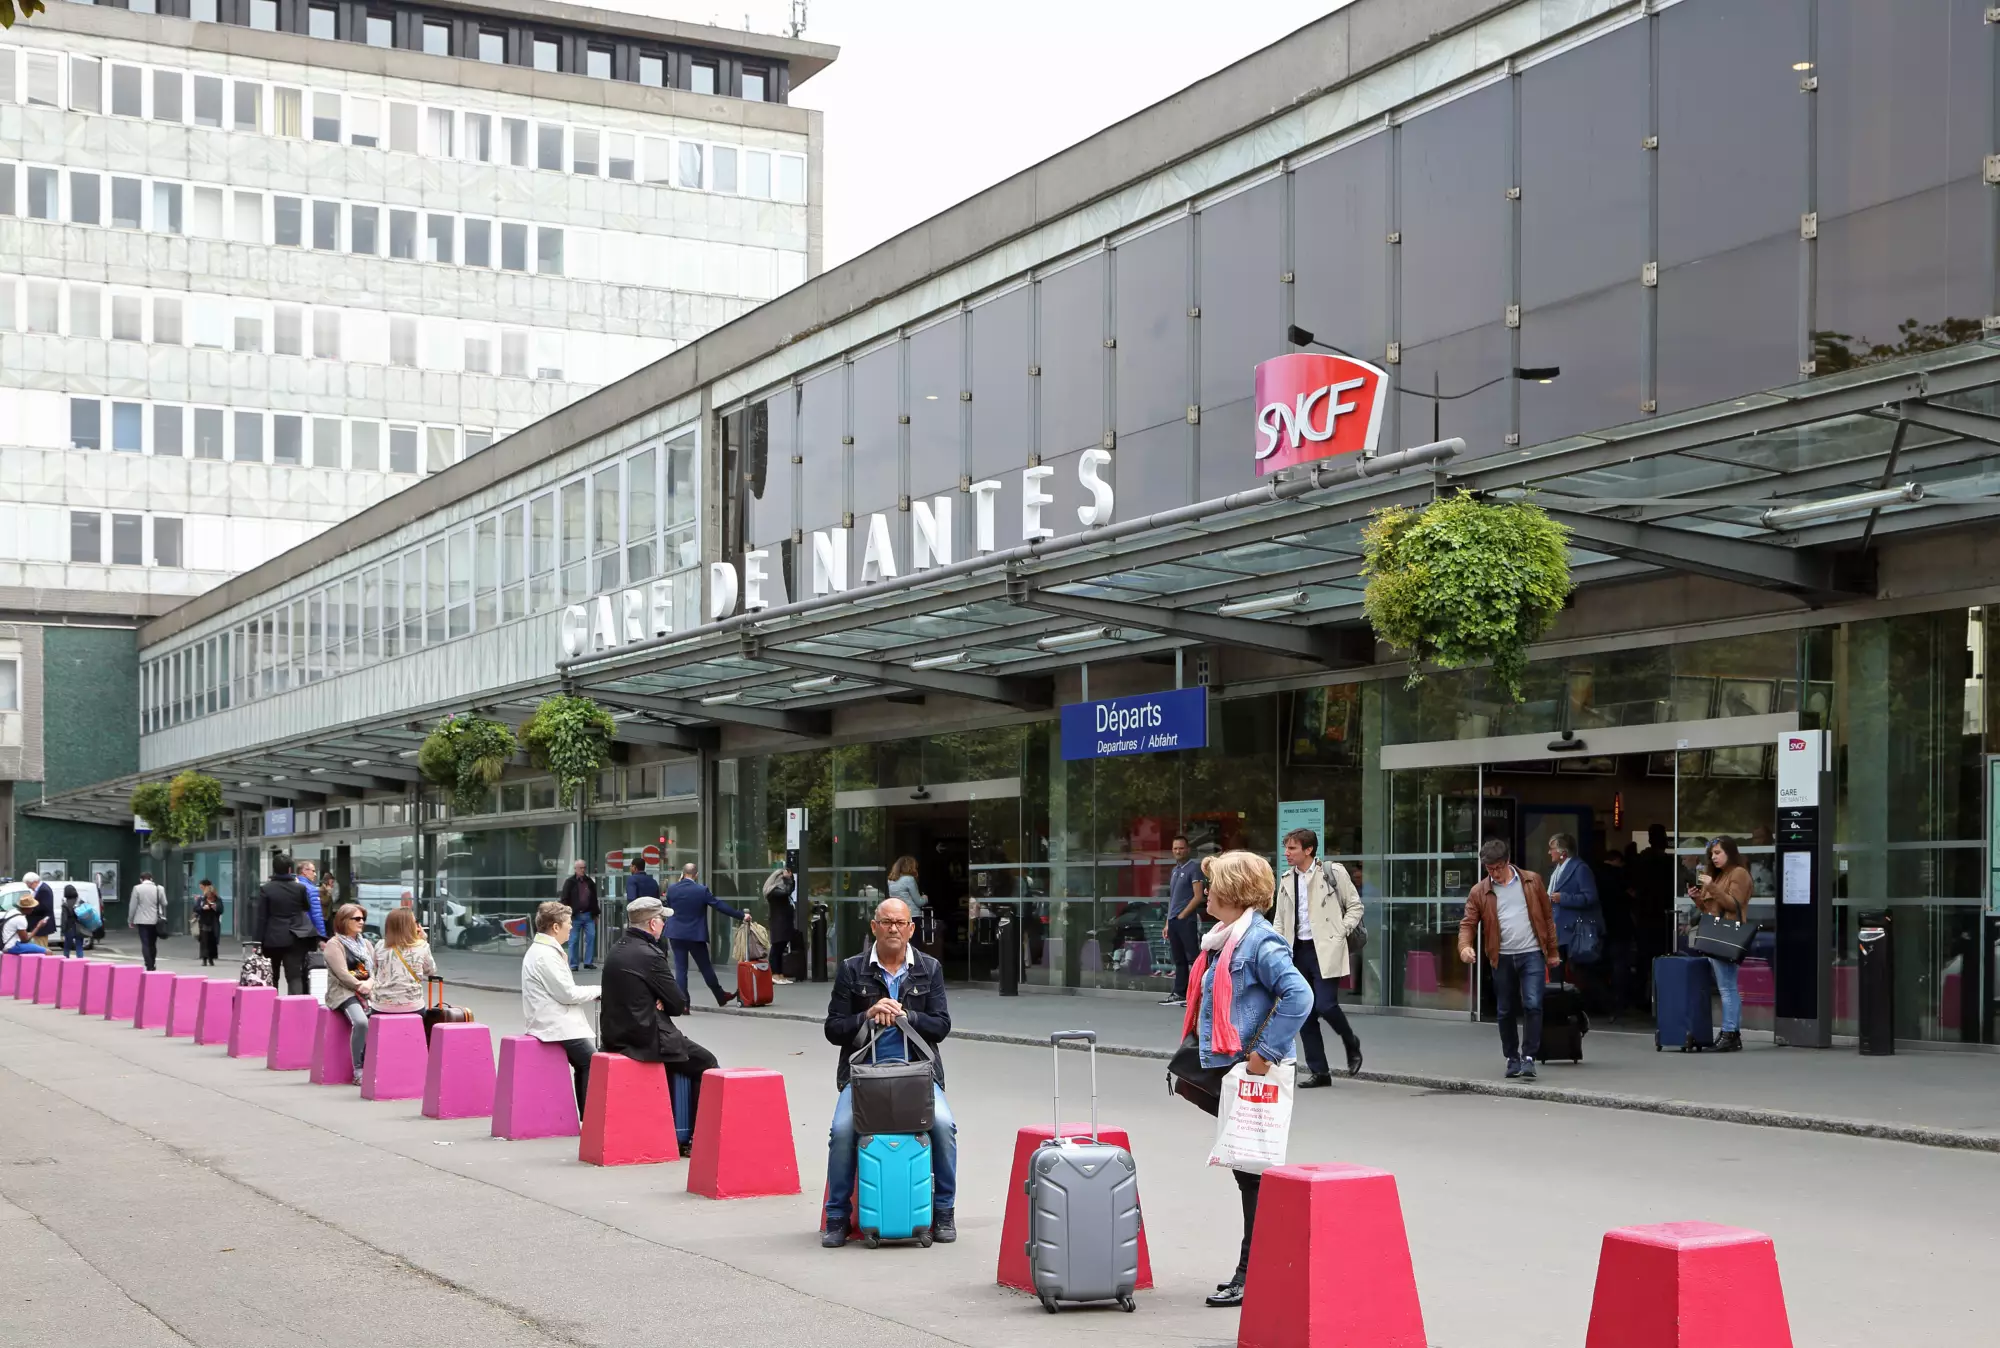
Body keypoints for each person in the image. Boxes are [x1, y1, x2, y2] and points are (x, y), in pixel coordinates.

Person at [1186, 850, 1312, 1309]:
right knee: (1248, 1173)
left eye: (1214, 885)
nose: (1206, 894)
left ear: (1234, 892)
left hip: (1254, 1071)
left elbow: (1300, 996)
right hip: (1234, 1070)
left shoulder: (1259, 941)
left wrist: (1263, 1054)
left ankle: (1252, 1272)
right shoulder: (1222, 939)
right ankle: (1256, 1268)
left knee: (1253, 1173)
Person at [820, 896, 957, 1248]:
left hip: (918, 1076)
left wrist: (907, 1017)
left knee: (943, 1126)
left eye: (900, 923)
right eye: (886, 922)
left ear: (911, 929)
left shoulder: (929, 968)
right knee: (842, 1130)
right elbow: (833, 1029)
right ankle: (836, 1216)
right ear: (874, 927)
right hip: (865, 1076)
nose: (893, 929)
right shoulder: (852, 969)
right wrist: (867, 1014)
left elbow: (941, 1026)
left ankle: (944, 1211)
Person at [600, 895, 720, 1157]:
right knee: (707, 1063)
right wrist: (661, 1001)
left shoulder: (616, 948)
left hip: (615, 1034)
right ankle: (697, 1139)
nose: (665, 925)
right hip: (646, 1037)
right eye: (663, 920)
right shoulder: (651, 955)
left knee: (687, 1060)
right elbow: (678, 1004)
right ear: (653, 924)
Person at [1458, 839, 1560, 1080]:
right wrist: (1464, 946)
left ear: (1507, 862)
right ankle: (1512, 1058)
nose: (1493, 873)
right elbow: (1468, 923)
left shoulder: (1532, 881)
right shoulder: (1480, 891)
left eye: (1496, 868)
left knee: (1533, 1003)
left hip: (1531, 953)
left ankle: (1529, 1057)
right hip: (1501, 957)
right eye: (1488, 869)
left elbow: (1547, 918)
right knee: (1505, 1010)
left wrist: (1553, 952)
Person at [1271, 827, 1364, 1084]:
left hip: (1324, 949)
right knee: (1305, 1012)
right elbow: (1280, 919)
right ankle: (1319, 1071)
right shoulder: (1287, 878)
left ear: (1308, 849)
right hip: (1296, 951)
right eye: (1286, 848)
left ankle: (1350, 1040)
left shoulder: (1332, 872)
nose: (1287, 853)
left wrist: (1340, 931)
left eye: (1292, 848)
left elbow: (1355, 905)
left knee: (1325, 1004)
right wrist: (1278, 948)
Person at [523, 900, 602, 1117]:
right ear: (555, 927)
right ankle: (590, 1118)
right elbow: (568, 994)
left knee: (585, 1061)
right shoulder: (546, 955)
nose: (571, 927)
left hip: (552, 1019)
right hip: (554, 1023)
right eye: (568, 923)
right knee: (590, 1061)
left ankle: (588, 1116)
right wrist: (598, 990)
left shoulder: (544, 950)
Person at [1690, 836, 1752, 1053]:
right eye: (1712, 854)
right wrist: (1697, 899)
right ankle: (1730, 1033)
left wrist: (1712, 887)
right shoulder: (1720, 875)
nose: (1714, 857)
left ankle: (1729, 1033)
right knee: (1727, 986)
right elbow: (1711, 911)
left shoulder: (1739, 873)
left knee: (1727, 987)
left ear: (1730, 852)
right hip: (1717, 935)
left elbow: (1732, 905)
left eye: (1718, 853)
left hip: (1727, 936)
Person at [663, 861, 747, 1006]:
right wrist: (741, 916)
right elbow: (719, 905)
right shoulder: (701, 890)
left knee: (681, 969)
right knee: (705, 967)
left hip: (676, 933)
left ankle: (684, 1004)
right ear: (696, 875)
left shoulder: (672, 889)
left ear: (682, 873)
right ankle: (720, 996)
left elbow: (669, 906)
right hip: (695, 935)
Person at [322, 903, 375, 1076]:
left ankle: (376, 1063)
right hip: (344, 992)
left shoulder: (366, 943)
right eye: (357, 919)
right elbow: (342, 974)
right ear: (344, 921)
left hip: (368, 990)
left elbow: (375, 970)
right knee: (361, 1022)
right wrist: (361, 985)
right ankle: (359, 1068)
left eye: (363, 919)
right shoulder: (334, 944)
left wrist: (370, 983)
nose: (361, 922)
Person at [255, 854, 318, 996]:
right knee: (294, 975)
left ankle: (272, 1006)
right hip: (295, 937)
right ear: (290, 870)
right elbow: (306, 907)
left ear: (274, 869)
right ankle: (294, 1008)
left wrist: (257, 942)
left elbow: (261, 917)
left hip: (272, 938)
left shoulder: (266, 889)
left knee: (272, 974)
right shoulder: (299, 888)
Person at [1546, 832, 1601, 985]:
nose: (1549, 852)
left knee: (1579, 973)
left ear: (1563, 853)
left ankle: (1587, 1005)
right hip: (1559, 930)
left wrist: (1563, 898)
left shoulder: (1580, 868)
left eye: (1552, 848)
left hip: (1574, 930)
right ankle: (1563, 1003)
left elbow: (1590, 897)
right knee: (1557, 971)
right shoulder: (1558, 870)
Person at [1160, 834, 1205, 1008]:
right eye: (1175, 848)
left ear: (1188, 849)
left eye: (1181, 848)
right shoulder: (1175, 870)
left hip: (1186, 921)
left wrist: (1183, 915)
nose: (1178, 851)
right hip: (1173, 921)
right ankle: (1179, 993)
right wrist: (1168, 922)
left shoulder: (1194, 868)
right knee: (1178, 960)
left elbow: (1198, 896)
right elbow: (1173, 899)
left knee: (1193, 958)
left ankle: (1197, 995)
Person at [370, 908, 437, 1019]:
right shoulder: (422, 946)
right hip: (413, 1007)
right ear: (410, 926)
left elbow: (375, 968)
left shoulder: (380, 945)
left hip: (381, 1007)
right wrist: (423, 940)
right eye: (415, 922)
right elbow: (431, 971)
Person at [560, 859, 600, 971]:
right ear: (575, 869)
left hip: (588, 915)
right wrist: (566, 914)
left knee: (591, 937)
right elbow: (564, 899)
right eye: (580, 868)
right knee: (574, 940)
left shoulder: (590, 882)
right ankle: (573, 964)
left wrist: (596, 914)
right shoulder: (570, 882)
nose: (583, 870)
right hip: (575, 916)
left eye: (584, 868)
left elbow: (594, 899)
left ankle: (588, 962)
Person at [762, 861, 798, 984]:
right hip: (779, 922)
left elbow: (790, 889)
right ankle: (774, 974)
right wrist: (788, 880)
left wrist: (791, 879)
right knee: (776, 948)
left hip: (784, 922)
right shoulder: (774, 892)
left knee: (781, 947)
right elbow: (787, 891)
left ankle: (780, 974)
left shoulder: (781, 890)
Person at [129, 871, 167, 971]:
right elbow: (165, 903)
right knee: (153, 943)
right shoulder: (159, 888)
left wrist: (130, 920)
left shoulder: (137, 888)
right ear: (151, 879)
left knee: (145, 943)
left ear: (141, 879)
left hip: (142, 920)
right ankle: (153, 963)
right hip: (155, 920)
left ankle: (149, 965)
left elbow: (133, 906)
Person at [296, 860, 328, 942]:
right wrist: (322, 936)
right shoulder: (311, 889)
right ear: (304, 871)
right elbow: (316, 914)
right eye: (313, 871)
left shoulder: (292, 886)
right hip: (308, 931)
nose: (315, 874)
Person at [194, 880, 224, 966]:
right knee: (204, 941)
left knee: (212, 941)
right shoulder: (201, 899)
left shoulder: (218, 900)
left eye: (211, 896)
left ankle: (211, 958)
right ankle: (204, 959)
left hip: (213, 923)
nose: (209, 897)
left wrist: (215, 907)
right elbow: (196, 909)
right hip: (204, 922)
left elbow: (221, 910)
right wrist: (203, 908)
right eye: (208, 896)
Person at [59, 883, 86, 959]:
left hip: (69, 927)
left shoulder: (65, 904)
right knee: (79, 946)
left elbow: (64, 919)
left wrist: (62, 932)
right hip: (80, 927)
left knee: (67, 947)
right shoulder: (80, 901)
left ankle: (65, 961)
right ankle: (80, 961)